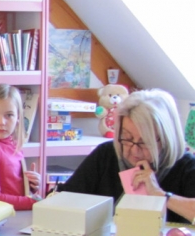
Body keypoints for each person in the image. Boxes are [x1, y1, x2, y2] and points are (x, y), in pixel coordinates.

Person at [60, 88, 195, 223]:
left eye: (145, 142)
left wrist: (159, 194)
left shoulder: (186, 166)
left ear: (166, 139)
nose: (134, 150)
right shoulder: (106, 155)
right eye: (127, 137)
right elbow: (65, 199)